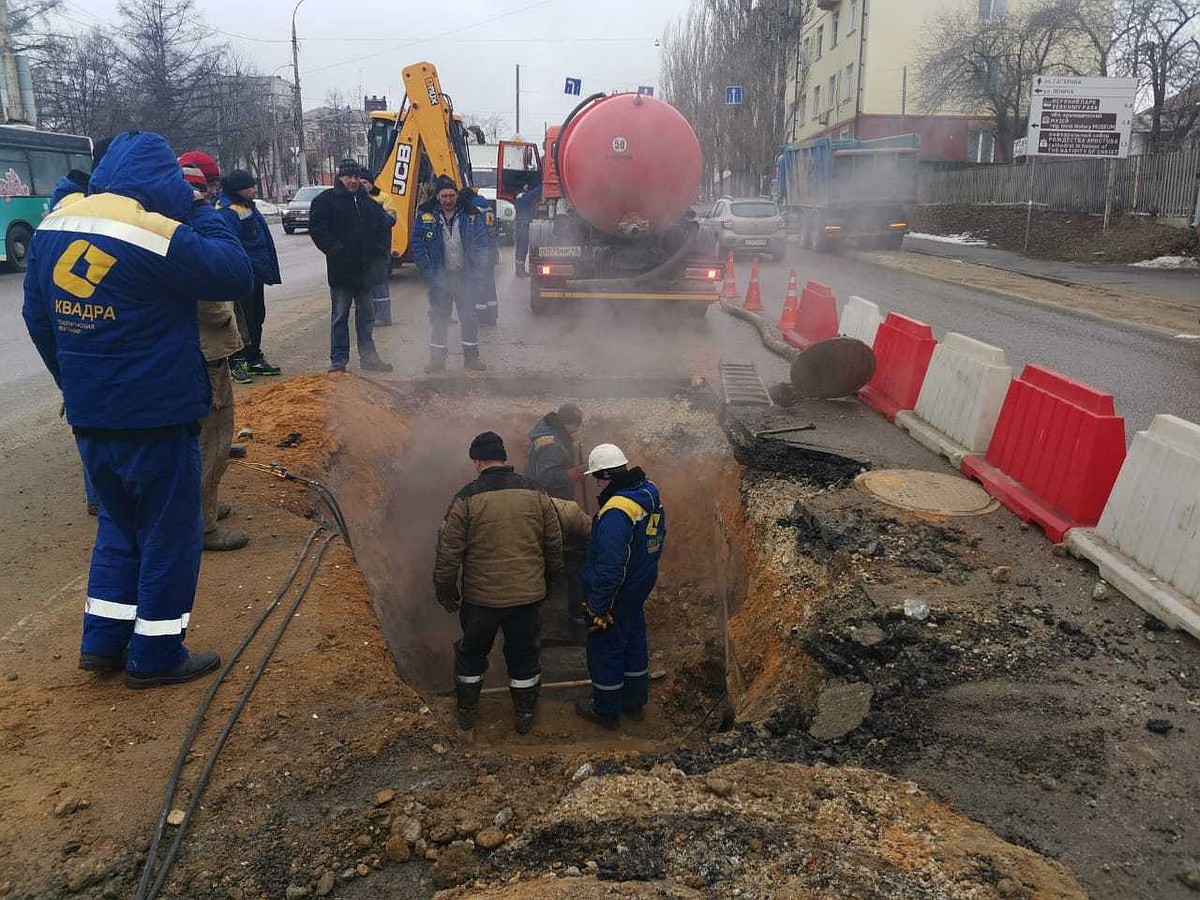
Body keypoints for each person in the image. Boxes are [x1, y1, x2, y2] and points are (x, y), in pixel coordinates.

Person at [22, 130, 254, 687]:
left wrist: (77, 385)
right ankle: (156, 655)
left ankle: (102, 643)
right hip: (156, 416)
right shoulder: (153, 232)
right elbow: (234, 272)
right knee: (170, 535)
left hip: (92, 416)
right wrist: (200, 209)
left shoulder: (55, 224)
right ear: (159, 183)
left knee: (118, 529)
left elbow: (37, 321)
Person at [434, 431, 563, 734]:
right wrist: (549, 582)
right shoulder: (536, 491)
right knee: (524, 656)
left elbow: (448, 553)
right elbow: (553, 543)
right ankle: (525, 714)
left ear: (477, 461)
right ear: (504, 458)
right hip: (527, 598)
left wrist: (446, 592)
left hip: (482, 601)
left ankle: (467, 712)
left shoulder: (466, 497)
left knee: (472, 655)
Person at [182, 152, 249, 552]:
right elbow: (214, 285)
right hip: (206, 348)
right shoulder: (191, 227)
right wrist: (224, 322)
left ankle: (206, 505)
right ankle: (203, 524)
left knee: (214, 434)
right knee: (212, 435)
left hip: (205, 348)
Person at [575, 443, 665, 729]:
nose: (596, 485)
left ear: (605, 477)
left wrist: (599, 606)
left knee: (606, 648)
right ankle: (634, 703)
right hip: (639, 585)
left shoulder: (616, 510)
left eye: (596, 478)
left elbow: (611, 565)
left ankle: (606, 710)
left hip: (617, 593)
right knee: (634, 644)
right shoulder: (649, 493)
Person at [308, 159, 394, 373]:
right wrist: (336, 250)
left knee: (366, 316)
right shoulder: (326, 201)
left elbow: (384, 225)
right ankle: (338, 360)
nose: (354, 181)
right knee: (339, 316)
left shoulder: (368, 202)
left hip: (366, 273)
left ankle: (369, 357)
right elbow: (318, 229)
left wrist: (380, 252)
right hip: (341, 271)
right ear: (340, 177)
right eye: (349, 176)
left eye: (357, 177)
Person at [412, 174, 488, 373]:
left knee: (469, 318)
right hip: (440, 278)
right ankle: (437, 361)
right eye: (444, 196)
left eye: (451, 195)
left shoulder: (471, 214)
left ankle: (471, 358)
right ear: (438, 196)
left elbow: (481, 244)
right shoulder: (425, 215)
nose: (448, 200)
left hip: (465, 276)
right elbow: (418, 245)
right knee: (439, 318)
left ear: (456, 195)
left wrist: (479, 270)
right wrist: (428, 271)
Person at [215, 169, 283, 380]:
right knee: (239, 321)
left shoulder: (246, 206)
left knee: (256, 316)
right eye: (251, 186)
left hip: (255, 274)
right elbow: (232, 246)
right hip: (241, 276)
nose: (255, 189)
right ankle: (237, 362)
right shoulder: (227, 211)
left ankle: (253, 357)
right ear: (240, 189)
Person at [526, 403, 584, 501]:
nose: (577, 429)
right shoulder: (552, 445)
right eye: (576, 425)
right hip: (548, 501)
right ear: (566, 423)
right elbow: (544, 478)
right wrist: (569, 475)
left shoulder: (548, 431)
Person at [458, 185, 499, 326]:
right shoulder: (486, 205)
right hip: (492, 247)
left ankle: (481, 315)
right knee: (489, 282)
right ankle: (492, 315)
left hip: (480, 249)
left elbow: (472, 232)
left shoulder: (472, 209)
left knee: (478, 282)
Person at [360, 166, 395, 327]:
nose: (362, 185)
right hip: (362, 251)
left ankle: (384, 316)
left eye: (365, 182)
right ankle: (369, 315)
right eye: (359, 182)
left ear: (371, 183)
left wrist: (374, 213)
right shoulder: (354, 199)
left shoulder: (383, 198)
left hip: (380, 249)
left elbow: (391, 220)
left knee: (380, 285)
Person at [513, 171, 542, 278]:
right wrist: (544, 183)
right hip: (523, 224)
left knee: (521, 246)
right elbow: (535, 193)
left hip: (520, 224)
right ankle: (520, 270)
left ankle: (519, 269)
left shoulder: (519, 198)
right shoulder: (523, 198)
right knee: (522, 247)